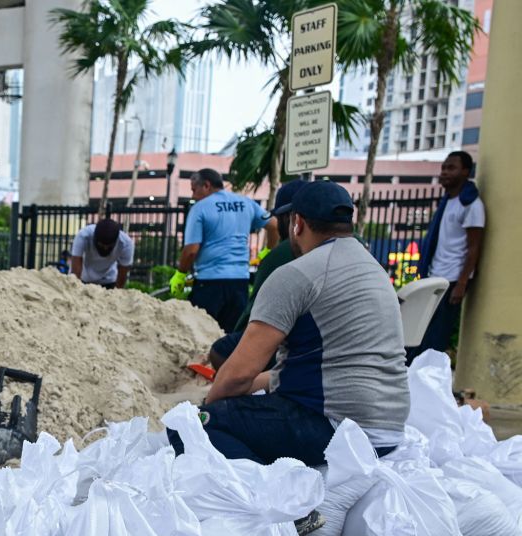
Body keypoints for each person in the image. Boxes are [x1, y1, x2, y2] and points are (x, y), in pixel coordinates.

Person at [168, 181, 409, 470]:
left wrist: (209, 408)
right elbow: (299, 372)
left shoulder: (297, 274)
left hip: (336, 429)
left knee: (190, 427)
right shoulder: (373, 269)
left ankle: (281, 502)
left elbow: (238, 374)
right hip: (388, 429)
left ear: (297, 223)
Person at [208, 178, 305, 368]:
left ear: (291, 219)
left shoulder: (284, 254)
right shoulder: (357, 246)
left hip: (293, 346)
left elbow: (253, 319)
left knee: (221, 351)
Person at [175, 168, 279, 333]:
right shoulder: (246, 203)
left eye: (194, 189)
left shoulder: (200, 208)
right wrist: (267, 251)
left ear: (207, 185)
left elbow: (191, 250)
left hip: (209, 283)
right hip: (240, 282)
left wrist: (180, 274)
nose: (193, 195)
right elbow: (274, 225)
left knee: (202, 335)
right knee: (232, 339)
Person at [410, 150, 485, 358]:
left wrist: (461, 284)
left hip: (452, 280)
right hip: (434, 275)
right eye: (443, 167)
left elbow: (474, 247)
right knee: (419, 335)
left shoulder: (471, 205)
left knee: (436, 339)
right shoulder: (446, 202)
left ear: (466, 171)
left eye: (451, 168)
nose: (444, 172)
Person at [69, 219, 134, 288]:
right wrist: (75, 287)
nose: (105, 249)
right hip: (83, 278)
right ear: (94, 238)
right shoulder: (83, 236)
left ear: (116, 241)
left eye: (109, 247)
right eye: (101, 246)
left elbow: (122, 274)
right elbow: (76, 265)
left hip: (109, 280)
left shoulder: (126, 244)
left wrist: (117, 292)